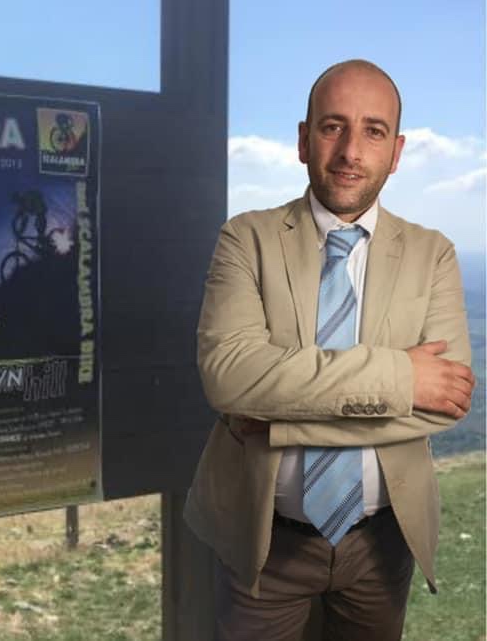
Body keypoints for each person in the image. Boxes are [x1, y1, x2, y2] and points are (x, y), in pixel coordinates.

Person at [184, 59, 474, 641]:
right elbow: (229, 377)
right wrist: (402, 379)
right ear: (303, 140)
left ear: (396, 152)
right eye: (332, 126)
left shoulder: (433, 253)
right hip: (262, 537)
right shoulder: (246, 238)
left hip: (382, 541)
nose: (350, 151)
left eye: (374, 131)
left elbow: (446, 399)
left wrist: (280, 422)